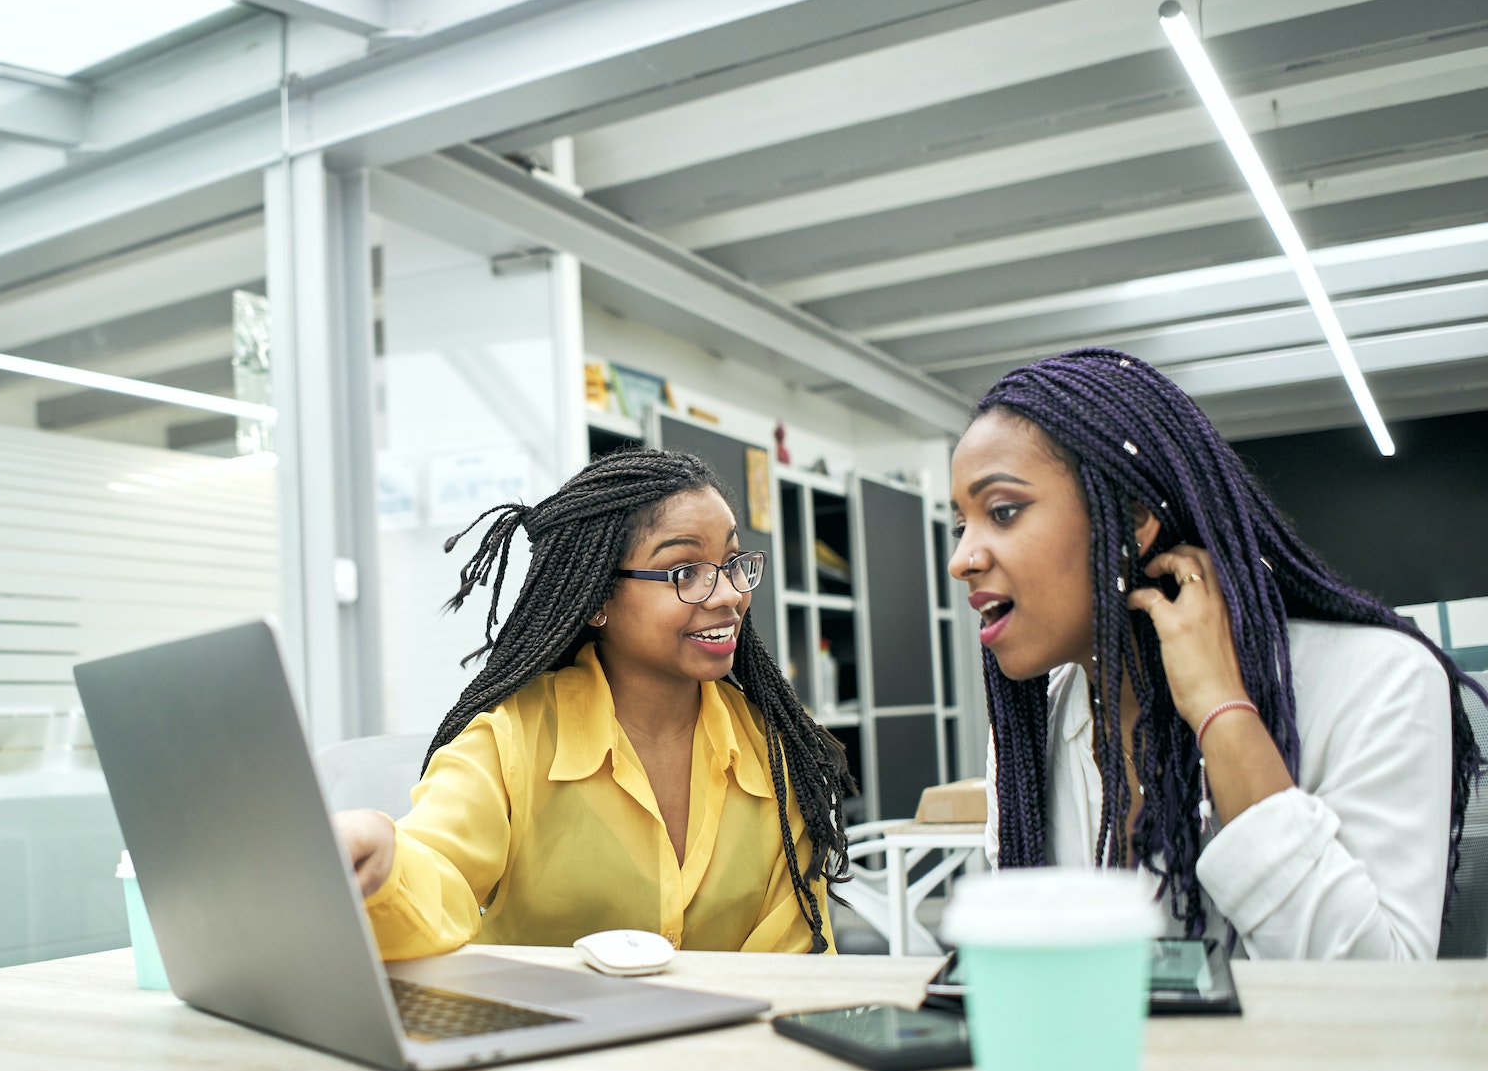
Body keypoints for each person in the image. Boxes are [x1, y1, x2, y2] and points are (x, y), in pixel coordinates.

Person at [949, 348, 1484, 958]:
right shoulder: (1032, 727)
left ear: (1131, 519)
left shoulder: (1378, 678)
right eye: (960, 525)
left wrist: (1221, 712)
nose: (962, 558)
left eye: (1003, 512)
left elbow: (1377, 989)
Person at [333, 448, 854, 959]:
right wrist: (385, 855)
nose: (728, 596)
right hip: (542, 1040)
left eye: (732, 563)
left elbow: (795, 957)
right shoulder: (512, 739)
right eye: (685, 572)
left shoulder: (774, 750)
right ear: (599, 597)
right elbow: (436, 865)